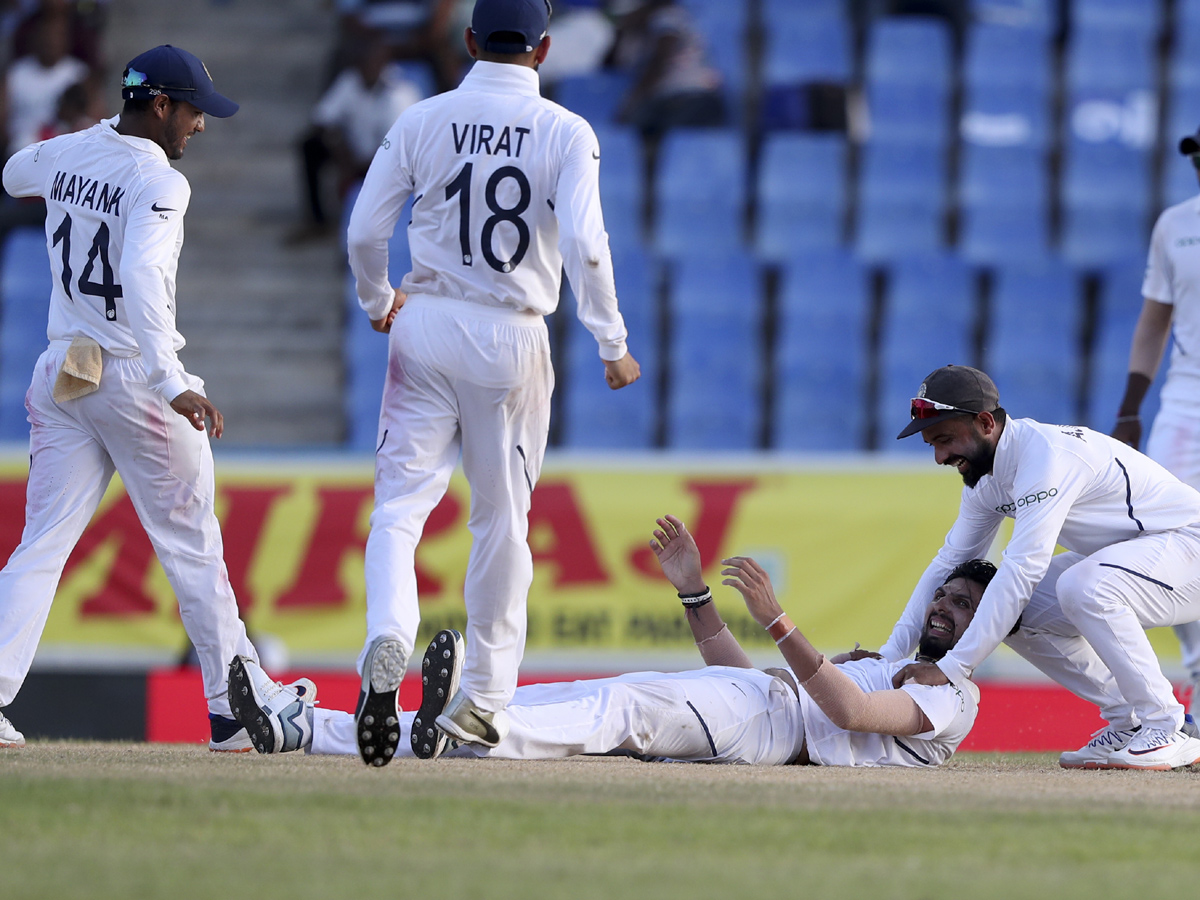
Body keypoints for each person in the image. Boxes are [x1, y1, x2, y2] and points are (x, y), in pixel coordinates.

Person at [343, 0, 641, 768]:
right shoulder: (567, 131)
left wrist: (379, 301)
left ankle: (387, 636)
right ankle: (482, 696)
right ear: (543, 50)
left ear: (470, 41)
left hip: (426, 318)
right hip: (513, 333)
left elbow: (365, 230)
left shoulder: (422, 116)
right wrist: (612, 341)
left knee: (400, 509)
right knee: (502, 519)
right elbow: (583, 240)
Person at [0, 45, 296, 751]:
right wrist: (176, 384)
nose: (200, 126)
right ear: (160, 105)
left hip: (66, 369)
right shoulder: (159, 180)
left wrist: (66, 155)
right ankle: (235, 709)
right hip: (135, 376)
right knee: (194, 546)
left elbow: (14, 176)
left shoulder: (68, 150)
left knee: (40, 547)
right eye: (194, 111)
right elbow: (138, 276)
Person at [227, 515, 990, 768]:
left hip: (773, 730)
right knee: (555, 699)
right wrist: (695, 593)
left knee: (617, 709)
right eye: (947, 595)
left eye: (964, 605)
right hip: (757, 704)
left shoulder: (949, 694)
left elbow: (852, 714)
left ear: (986, 625)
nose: (947, 609)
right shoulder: (900, 661)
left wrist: (779, 622)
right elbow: (767, 683)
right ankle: (311, 728)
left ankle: (461, 723)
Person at [885, 364, 1200, 770]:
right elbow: (948, 564)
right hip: (1148, 554)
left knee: (1084, 587)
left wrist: (951, 669)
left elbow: (1022, 572)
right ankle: (1132, 720)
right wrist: (888, 657)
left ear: (985, 423)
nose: (939, 457)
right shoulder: (987, 478)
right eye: (932, 444)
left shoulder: (1046, 458)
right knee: (999, 608)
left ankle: (1166, 725)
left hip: (1190, 546)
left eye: (944, 439)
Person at [1110, 124, 1200, 720]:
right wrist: (1129, 407)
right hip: (1186, 405)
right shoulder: (1176, 224)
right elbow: (1153, 324)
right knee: (1169, 539)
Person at [287, 30, 422, 244]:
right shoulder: (350, 82)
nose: (367, 65)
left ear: (383, 62)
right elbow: (321, 121)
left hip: (387, 162)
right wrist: (342, 151)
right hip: (352, 157)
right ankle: (316, 219)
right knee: (309, 145)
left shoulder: (400, 92)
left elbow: (400, 145)